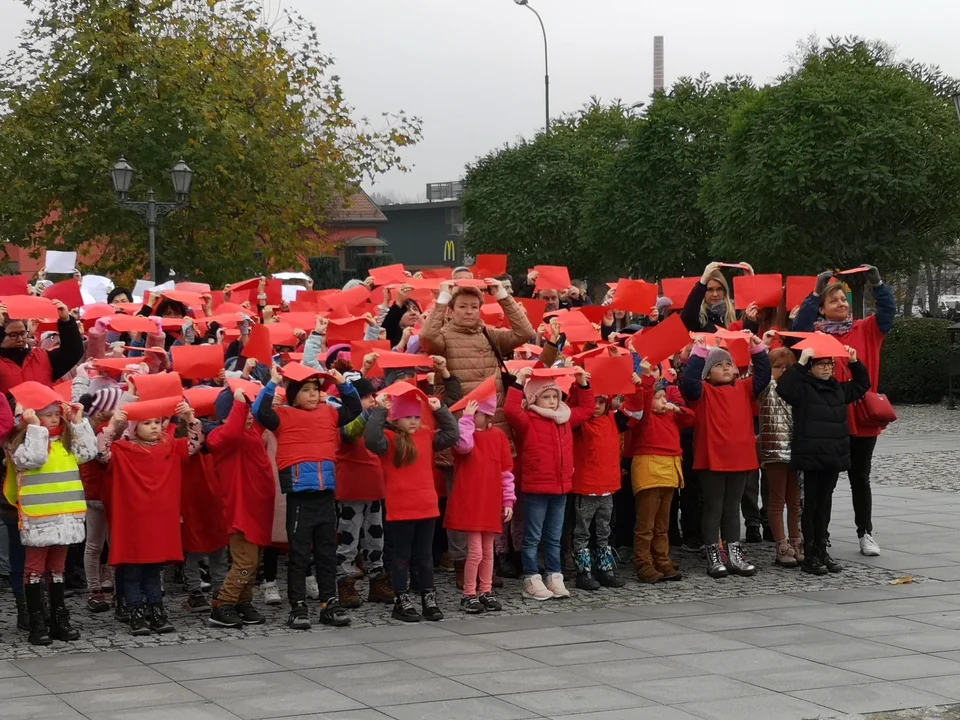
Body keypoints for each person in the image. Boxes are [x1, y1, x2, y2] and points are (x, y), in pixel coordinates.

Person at [792, 265, 895, 557]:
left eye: (843, 299)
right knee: (825, 481)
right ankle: (820, 537)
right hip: (826, 419)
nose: (840, 303)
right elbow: (796, 331)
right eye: (833, 300)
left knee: (860, 477)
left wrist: (878, 284)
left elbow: (887, 313)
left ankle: (865, 532)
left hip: (861, 415)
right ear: (822, 310)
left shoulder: (866, 328)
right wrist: (813, 295)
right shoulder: (816, 335)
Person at [252, 363, 363, 630]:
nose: (313, 395)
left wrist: (344, 384)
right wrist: (272, 383)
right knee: (299, 555)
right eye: (306, 390)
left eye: (316, 389)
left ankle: (329, 603)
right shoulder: (282, 416)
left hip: (326, 494)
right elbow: (259, 412)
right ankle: (298, 606)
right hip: (300, 497)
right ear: (293, 394)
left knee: (326, 553)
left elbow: (356, 410)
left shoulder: (330, 413)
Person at [99, 401, 203, 636]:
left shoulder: (171, 447)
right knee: (134, 569)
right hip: (133, 520)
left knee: (153, 569)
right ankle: (136, 612)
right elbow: (101, 454)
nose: (155, 427)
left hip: (158, 519)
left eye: (157, 422)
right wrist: (113, 424)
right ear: (135, 428)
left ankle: (156, 610)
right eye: (147, 423)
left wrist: (190, 418)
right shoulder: (124, 450)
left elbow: (195, 445)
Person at [364, 386, 459, 622]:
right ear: (396, 419)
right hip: (401, 508)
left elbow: (451, 435)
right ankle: (401, 599)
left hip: (426, 505)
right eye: (408, 417)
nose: (414, 421)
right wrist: (380, 411)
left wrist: (441, 410)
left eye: (417, 416)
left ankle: (429, 597)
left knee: (424, 557)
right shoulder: (389, 439)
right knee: (401, 557)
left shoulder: (426, 435)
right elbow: (370, 439)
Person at [775, 345, 871, 575]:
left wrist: (854, 362)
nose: (826, 368)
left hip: (832, 454)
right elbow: (784, 388)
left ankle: (821, 548)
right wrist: (800, 362)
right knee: (811, 506)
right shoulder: (803, 389)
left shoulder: (838, 388)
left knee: (825, 504)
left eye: (830, 364)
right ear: (811, 367)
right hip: (811, 455)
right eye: (821, 364)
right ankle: (809, 553)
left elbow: (862, 385)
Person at [4, 391, 91, 646]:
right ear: (32, 415)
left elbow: (87, 453)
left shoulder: (66, 440)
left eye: (56, 414)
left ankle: (59, 618)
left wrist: (78, 422)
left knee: (57, 569)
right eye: (47, 415)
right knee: (34, 569)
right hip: (39, 515)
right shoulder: (19, 442)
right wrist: (34, 428)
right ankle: (37, 620)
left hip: (66, 513)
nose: (54, 420)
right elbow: (35, 458)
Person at [680, 335, 771, 578]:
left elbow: (763, 377)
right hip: (713, 458)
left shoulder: (744, 387)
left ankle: (734, 554)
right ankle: (713, 554)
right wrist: (699, 353)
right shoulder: (703, 392)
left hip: (740, 457)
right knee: (713, 507)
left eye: (728, 364)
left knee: (732, 508)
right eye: (719, 365)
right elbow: (688, 381)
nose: (726, 367)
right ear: (708, 373)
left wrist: (758, 350)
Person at [505, 365, 594, 601]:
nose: (552, 401)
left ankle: (554, 575)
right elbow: (511, 411)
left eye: (555, 396)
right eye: (546, 396)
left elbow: (586, 408)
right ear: (535, 398)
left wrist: (582, 384)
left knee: (554, 536)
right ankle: (531, 576)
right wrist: (518, 383)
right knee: (533, 536)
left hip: (561, 486)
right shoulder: (528, 420)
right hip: (536, 487)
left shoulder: (564, 417)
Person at [204, 388, 277, 628]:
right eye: (242, 410)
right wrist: (238, 404)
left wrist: (270, 389)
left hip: (258, 509)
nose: (248, 415)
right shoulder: (218, 437)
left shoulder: (252, 431)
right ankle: (222, 603)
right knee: (245, 563)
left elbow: (262, 416)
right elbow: (232, 433)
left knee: (254, 562)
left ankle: (242, 601)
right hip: (240, 510)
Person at [420, 279, 534, 432]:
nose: (469, 311)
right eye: (462, 306)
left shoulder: (490, 335)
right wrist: (443, 297)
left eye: (474, 307)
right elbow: (427, 337)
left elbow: (525, 333)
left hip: (494, 418)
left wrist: (502, 296)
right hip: (459, 418)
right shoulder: (443, 337)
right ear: (451, 311)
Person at [446, 394, 515, 613]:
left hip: (490, 501)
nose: (474, 416)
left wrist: (508, 500)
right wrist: (465, 420)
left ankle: (485, 590)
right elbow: (464, 447)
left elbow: (506, 471)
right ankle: (469, 593)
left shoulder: (499, 437)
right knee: (475, 552)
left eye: (477, 413)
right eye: (472, 412)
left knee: (488, 550)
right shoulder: (465, 435)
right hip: (472, 501)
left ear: (488, 416)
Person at [626, 368, 694, 583]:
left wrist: (678, 409)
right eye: (658, 397)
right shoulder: (645, 419)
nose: (663, 401)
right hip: (649, 467)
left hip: (669, 467)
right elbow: (643, 404)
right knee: (646, 523)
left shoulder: (670, 417)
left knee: (662, 523)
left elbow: (690, 418)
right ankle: (643, 562)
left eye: (664, 397)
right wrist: (646, 382)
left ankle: (662, 559)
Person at [331, 378, 394, 608]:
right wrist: (370, 413)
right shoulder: (344, 420)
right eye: (367, 397)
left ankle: (377, 579)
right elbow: (350, 434)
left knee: (376, 538)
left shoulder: (377, 422)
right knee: (348, 539)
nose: (372, 400)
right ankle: (344, 581)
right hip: (352, 490)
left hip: (374, 489)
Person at [570, 386, 626, 591]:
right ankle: (583, 572)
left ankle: (604, 568)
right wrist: (582, 387)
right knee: (582, 531)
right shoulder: (580, 423)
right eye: (592, 401)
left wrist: (642, 384)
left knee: (604, 530)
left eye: (601, 402)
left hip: (607, 486)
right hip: (585, 487)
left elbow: (636, 412)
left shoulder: (612, 420)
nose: (596, 406)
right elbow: (572, 413)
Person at [758, 347, 803, 567]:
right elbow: (757, 373)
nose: (783, 371)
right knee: (776, 501)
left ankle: (796, 541)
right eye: (778, 367)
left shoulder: (797, 388)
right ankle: (781, 545)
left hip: (795, 450)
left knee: (794, 501)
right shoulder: (766, 386)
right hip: (774, 450)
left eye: (788, 367)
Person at [0, 301, 84, 395]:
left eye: (22, 333)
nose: (20, 339)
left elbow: (72, 351)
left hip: (47, 409)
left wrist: (66, 321)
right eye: (13, 335)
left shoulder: (41, 357)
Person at [680, 261, 747, 333]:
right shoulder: (700, 317)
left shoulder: (736, 313)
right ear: (703, 292)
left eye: (719, 289)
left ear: (725, 291)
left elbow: (753, 326)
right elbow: (686, 321)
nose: (715, 294)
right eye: (710, 290)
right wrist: (702, 282)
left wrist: (750, 279)